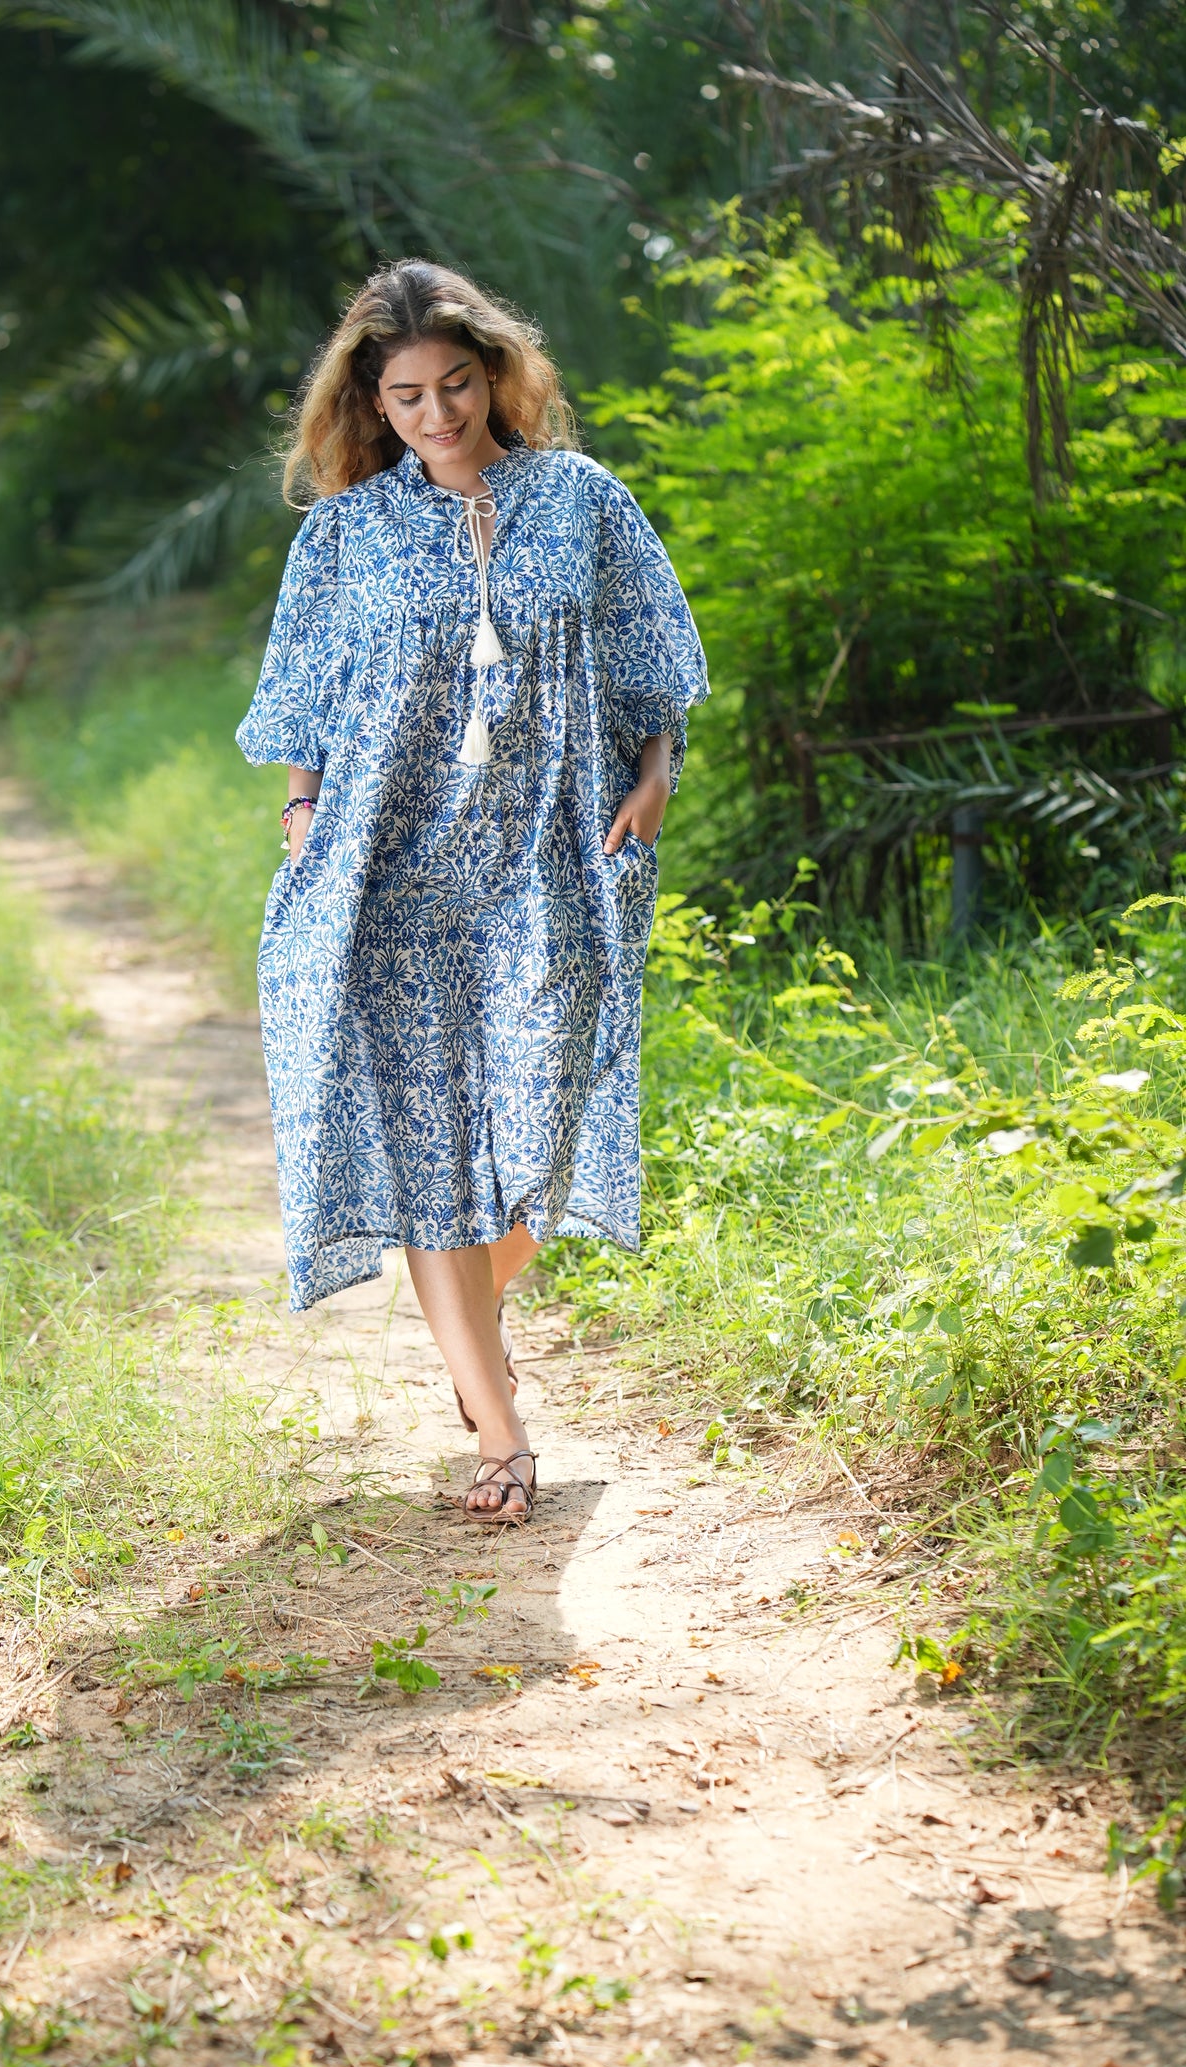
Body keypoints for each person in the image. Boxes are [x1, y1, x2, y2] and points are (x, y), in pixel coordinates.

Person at [236, 259, 706, 1526]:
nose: (435, 414)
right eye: (405, 396)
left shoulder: (584, 503)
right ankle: (496, 1426)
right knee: (432, 1146)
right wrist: (298, 805)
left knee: (540, 1130)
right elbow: (305, 700)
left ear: (493, 374)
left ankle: (466, 1331)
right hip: (388, 867)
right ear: (371, 404)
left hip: (548, 853)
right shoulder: (345, 531)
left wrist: (653, 775)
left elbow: (653, 664)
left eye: (454, 383)